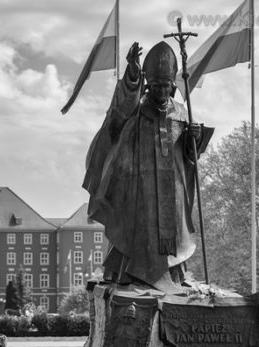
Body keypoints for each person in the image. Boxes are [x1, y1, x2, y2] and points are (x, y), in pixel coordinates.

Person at [82, 41, 212, 294]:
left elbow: (189, 155)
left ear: (173, 86)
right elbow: (121, 109)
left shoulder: (182, 112)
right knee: (137, 227)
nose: (161, 90)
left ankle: (174, 274)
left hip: (172, 186)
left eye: (166, 85)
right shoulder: (137, 110)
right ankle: (125, 273)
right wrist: (132, 73)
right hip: (140, 185)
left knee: (172, 230)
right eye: (156, 85)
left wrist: (195, 137)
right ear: (148, 85)